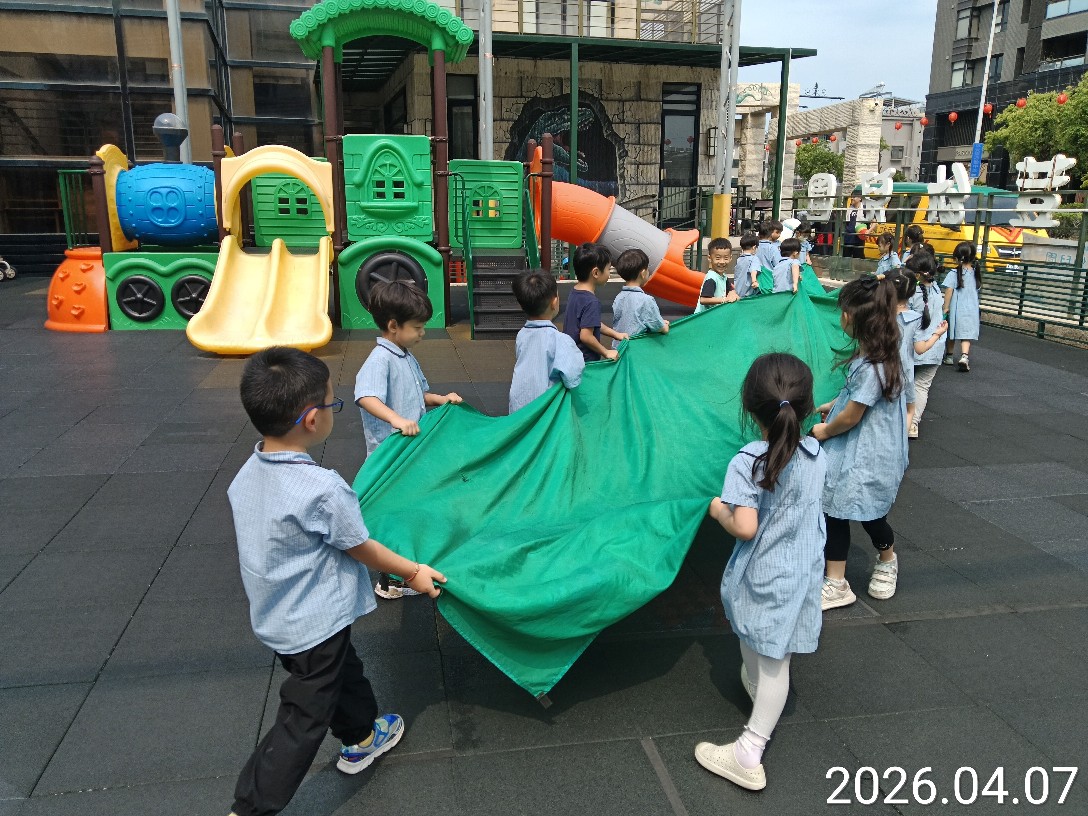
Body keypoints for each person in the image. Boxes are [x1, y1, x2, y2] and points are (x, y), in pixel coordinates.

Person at [227, 347, 446, 816]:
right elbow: (360, 546)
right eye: (332, 404)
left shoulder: (247, 474)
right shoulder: (322, 489)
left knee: (342, 670)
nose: (333, 411)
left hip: (280, 613)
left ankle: (362, 737)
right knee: (303, 718)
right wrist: (413, 571)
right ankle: (250, 807)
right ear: (312, 420)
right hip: (312, 624)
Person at [694, 353, 826, 792]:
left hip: (766, 575)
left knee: (772, 662)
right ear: (806, 407)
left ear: (751, 410)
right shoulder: (815, 454)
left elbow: (746, 527)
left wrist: (719, 511)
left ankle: (748, 753)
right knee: (763, 645)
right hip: (799, 572)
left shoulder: (749, 461)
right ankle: (757, 689)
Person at [354, 280, 462, 598]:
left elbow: (418, 394)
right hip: (390, 458)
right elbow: (366, 396)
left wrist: (440, 399)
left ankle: (404, 570)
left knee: (410, 511)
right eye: (417, 327)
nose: (422, 333)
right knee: (391, 517)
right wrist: (396, 419)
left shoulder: (405, 355)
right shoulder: (380, 359)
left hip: (409, 456)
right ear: (393, 326)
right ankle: (391, 580)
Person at [812, 274, 907, 608]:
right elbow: (853, 400)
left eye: (844, 311)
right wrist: (833, 404)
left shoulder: (872, 365)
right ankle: (836, 581)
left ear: (855, 319)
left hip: (865, 453)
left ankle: (887, 558)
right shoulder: (875, 355)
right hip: (853, 450)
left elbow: (853, 415)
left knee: (870, 513)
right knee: (834, 510)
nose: (841, 317)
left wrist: (825, 430)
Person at [509, 270, 585, 413]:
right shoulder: (560, 340)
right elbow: (573, 376)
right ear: (554, 302)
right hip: (545, 408)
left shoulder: (522, 335)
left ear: (521, 305)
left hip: (519, 406)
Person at [893, 270, 947, 436]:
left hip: (890, 365)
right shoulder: (917, 317)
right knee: (920, 388)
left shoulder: (881, 315)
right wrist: (937, 334)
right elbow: (920, 348)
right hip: (922, 357)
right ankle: (910, 427)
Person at [905, 253, 947, 439]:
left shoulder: (912, 293)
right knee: (922, 387)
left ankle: (900, 421)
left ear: (916, 274)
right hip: (935, 345)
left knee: (902, 385)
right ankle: (913, 424)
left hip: (912, 346)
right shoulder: (936, 289)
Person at [562, 242, 627, 362]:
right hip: (585, 362)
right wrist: (606, 352)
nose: (609, 273)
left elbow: (591, 322)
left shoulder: (575, 292)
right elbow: (586, 336)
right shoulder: (591, 302)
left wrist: (615, 334)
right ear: (596, 273)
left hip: (570, 356)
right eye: (608, 269)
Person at [611, 248, 670, 343]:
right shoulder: (646, 300)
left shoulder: (619, 297)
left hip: (618, 346)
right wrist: (664, 326)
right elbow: (659, 327)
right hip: (635, 347)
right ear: (643, 273)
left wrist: (660, 321)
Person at [942, 241, 981, 372]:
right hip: (971, 310)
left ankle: (949, 356)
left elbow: (949, 290)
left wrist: (946, 306)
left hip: (957, 308)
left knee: (951, 331)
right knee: (966, 334)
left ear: (958, 258)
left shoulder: (954, 273)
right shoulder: (976, 273)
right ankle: (964, 356)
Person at [695, 237, 740, 313]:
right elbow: (703, 300)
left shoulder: (723, 276)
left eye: (726, 258)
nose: (722, 262)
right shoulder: (711, 278)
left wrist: (733, 294)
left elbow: (730, 289)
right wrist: (725, 300)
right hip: (704, 317)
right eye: (718, 258)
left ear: (730, 258)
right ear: (709, 258)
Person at [732, 233, 761, 300]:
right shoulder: (754, 258)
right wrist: (754, 281)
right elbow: (753, 271)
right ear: (754, 247)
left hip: (738, 293)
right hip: (748, 294)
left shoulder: (739, 259)